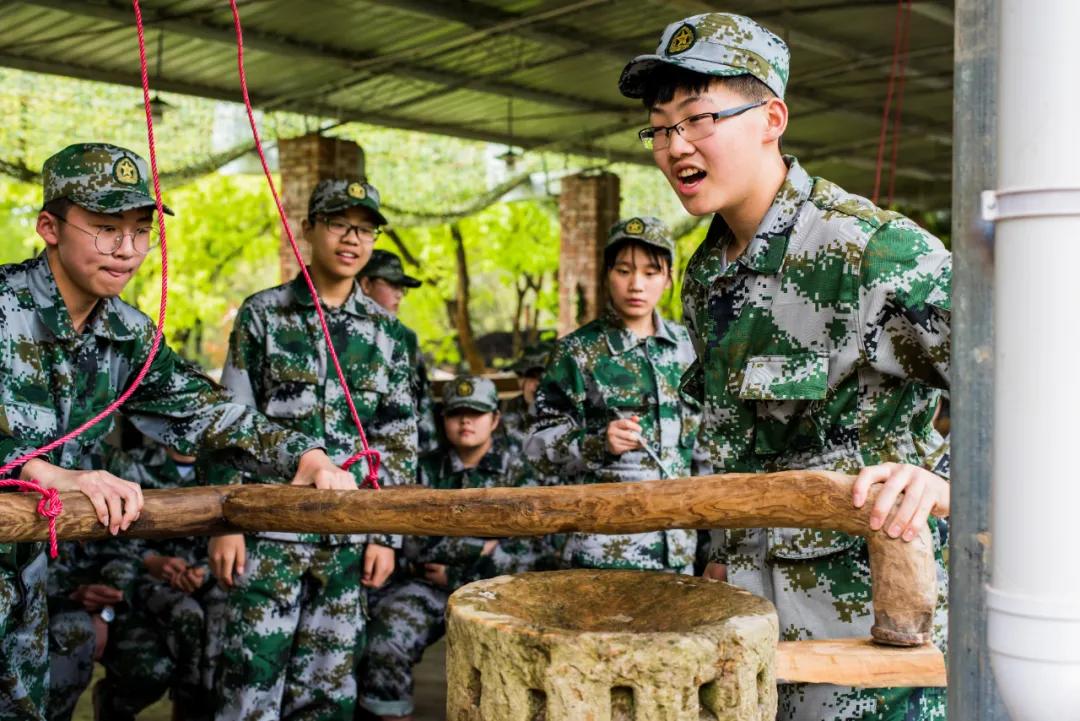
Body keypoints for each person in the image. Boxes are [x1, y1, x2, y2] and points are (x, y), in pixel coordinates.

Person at [619, 14, 951, 719]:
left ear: (771, 118)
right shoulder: (709, 271)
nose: (675, 145)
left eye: (699, 119)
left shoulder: (869, 250)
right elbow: (727, 438)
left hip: (865, 648)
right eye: (659, 127)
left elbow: (1046, 383)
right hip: (747, 633)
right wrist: (714, 553)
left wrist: (942, 481)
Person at [0, 143, 353, 721]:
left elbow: (201, 408)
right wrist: (42, 471)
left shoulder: (127, 332)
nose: (127, 249)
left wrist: (304, 456)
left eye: (141, 230)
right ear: (49, 227)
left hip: (25, 585)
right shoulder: (3, 307)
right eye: (105, 228)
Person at [211, 178, 418, 721]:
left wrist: (386, 533)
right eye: (339, 224)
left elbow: (396, 439)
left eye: (366, 229)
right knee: (248, 689)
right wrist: (223, 521)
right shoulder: (263, 314)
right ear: (308, 229)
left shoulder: (388, 334)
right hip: (267, 539)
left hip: (346, 545)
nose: (353, 239)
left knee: (327, 695)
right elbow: (229, 418)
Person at [357, 376, 549, 721]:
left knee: (512, 659)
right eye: (456, 412)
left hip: (498, 593)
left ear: (494, 419)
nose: (465, 421)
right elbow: (411, 543)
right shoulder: (422, 469)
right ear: (443, 418)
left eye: (476, 413)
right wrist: (482, 545)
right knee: (385, 640)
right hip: (427, 587)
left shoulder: (518, 472)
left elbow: (534, 551)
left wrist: (460, 565)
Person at [525, 217, 700, 573]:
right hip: (601, 556)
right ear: (607, 274)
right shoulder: (577, 352)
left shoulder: (689, 349)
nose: (636, 285)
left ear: (668, 279)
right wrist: (598, 442)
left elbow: (708, 450)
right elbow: (536, 448)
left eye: (651, 273)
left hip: (679, 553)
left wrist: (719, 549)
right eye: (623, 270)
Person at [92, 428, 224, 721]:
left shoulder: (222, 470)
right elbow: (109, 538)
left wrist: (201, 571)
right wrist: (149, 560)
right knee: (148, 673)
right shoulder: (130, 465)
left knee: (212, 677)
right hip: (139, 592)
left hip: (204, 589)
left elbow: (232, 539)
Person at [359, 248, 438, 455]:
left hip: (398, 456)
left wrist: (425, 454)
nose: (400, 294)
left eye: (402, 288)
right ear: (366, 284)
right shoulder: (333, 329)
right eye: (393, 284)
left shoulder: (405, 337)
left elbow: (422, 399)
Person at [499, 341, 553, 454]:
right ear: (521, 380)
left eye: (545, 378)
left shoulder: (571, 413)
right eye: (533, 377)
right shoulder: (503, 408)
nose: (538, 385)